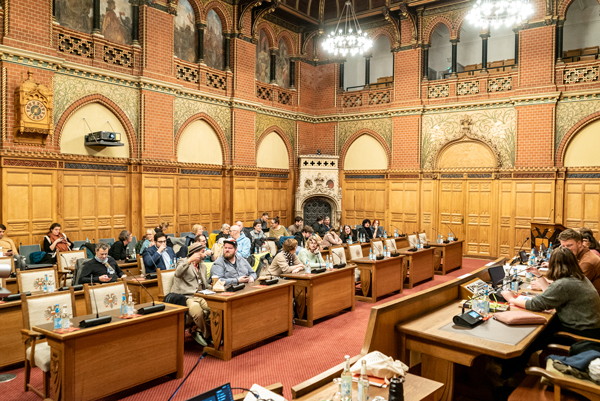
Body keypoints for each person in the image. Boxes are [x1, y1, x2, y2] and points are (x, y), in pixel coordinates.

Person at [502, 247, 600, 339]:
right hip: (590, 327)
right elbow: (549, 293)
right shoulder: (578, 277)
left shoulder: (564, 284)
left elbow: (535, 304)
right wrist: (538, 275)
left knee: (533, 335)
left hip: (581, 332)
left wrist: (511, 299)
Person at [169, 242, 212, 346]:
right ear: (195, 254)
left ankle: (199, 330)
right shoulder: (183, 261)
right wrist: (189, 260)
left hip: (201, 295)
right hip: (186, 297)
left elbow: (205, 285)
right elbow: (178, 273)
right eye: (202, 252)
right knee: (197, 311)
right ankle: (208, 335)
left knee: (214, 308)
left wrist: (217, 287)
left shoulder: (202, 266)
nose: (205, 254)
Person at [555, 229, 600, 293]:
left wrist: (548, 284)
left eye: (569, 245)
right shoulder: (577, 255)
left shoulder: (587, 262)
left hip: (588, 301)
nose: (565, 249)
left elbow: (573, 287)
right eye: (563, 246)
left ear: (579, 244)